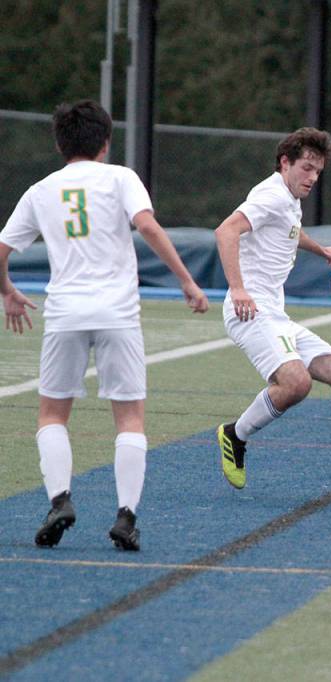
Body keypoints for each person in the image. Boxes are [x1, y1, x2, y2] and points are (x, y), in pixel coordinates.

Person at [0, 99, 209, 551]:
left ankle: (60, 501)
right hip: (117, 313)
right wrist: (188, 282)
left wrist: (7, 291)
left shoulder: (41, 190)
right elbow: (148, 227)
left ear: (59, 143)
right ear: (106, 141)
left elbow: (2, 250)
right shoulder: (121, 178)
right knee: (129, 418)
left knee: (52, 414)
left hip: (65, 314)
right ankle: (126, 517)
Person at [214, 127, 331, 497]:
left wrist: (321, 249)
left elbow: (290, 231)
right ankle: (235, 434)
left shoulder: (287, 198)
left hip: (273, 313)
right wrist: (238, 288)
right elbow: (225, 231)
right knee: (296, 384)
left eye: (318, 171)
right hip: (250, 311)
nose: (312, 177)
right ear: (285, 163)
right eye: (306, 168)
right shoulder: (270, 194)